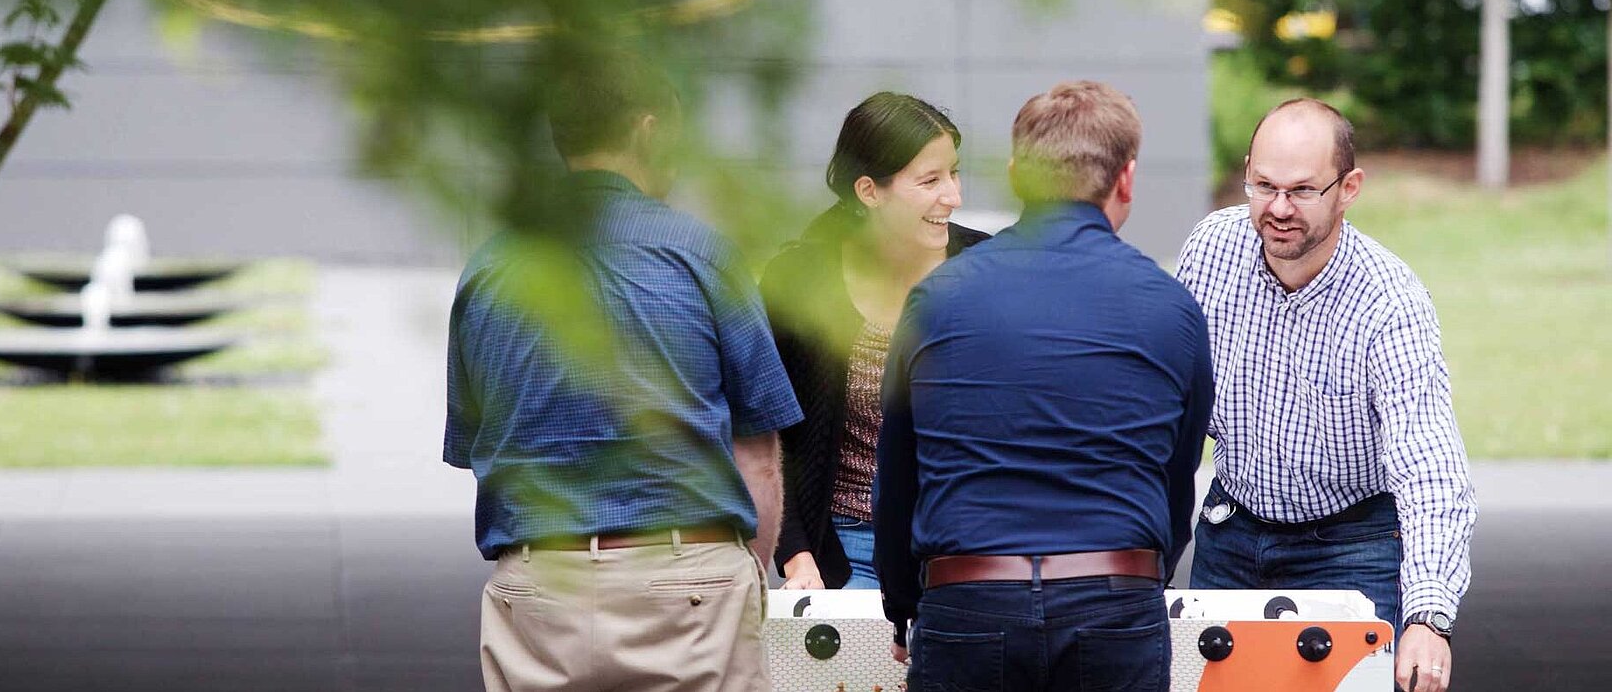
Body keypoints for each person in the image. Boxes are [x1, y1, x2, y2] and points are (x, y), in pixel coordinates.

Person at [444, 53, 803, 692]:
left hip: (536, 590)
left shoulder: (490, 267)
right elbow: (759, 456)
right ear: (649, 129)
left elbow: (476, 447)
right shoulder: (701, 253)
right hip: (688, 581)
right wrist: (744, 567)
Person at [875, 80, 1213, 692]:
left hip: (968, 604)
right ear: (1126, 178)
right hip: (1115, 601)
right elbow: (1175, 479)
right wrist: (1137, 585)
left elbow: (899, 474)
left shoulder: (938, 298)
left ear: (1015, 176)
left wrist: (903, 605)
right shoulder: (1172, 310)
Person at [1175, 98, 1476, 692]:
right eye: (1263, 186)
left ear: (1349, 187)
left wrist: (1427, 617)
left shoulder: (1390, 302)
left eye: (1302, 191)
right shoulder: (1211, 247)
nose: (1278, 209)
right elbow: (1168, 403)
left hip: (1352, 545)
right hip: (1230, 530)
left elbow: (1430, 470)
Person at [761, 92, 988, 592]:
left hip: (969, 551)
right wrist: (797, 556)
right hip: (847, 549)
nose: (952, 195)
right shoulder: (801, 277)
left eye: (954, 173)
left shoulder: (989, 270)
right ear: (869, 191)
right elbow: (769, 430)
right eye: (929, 181)